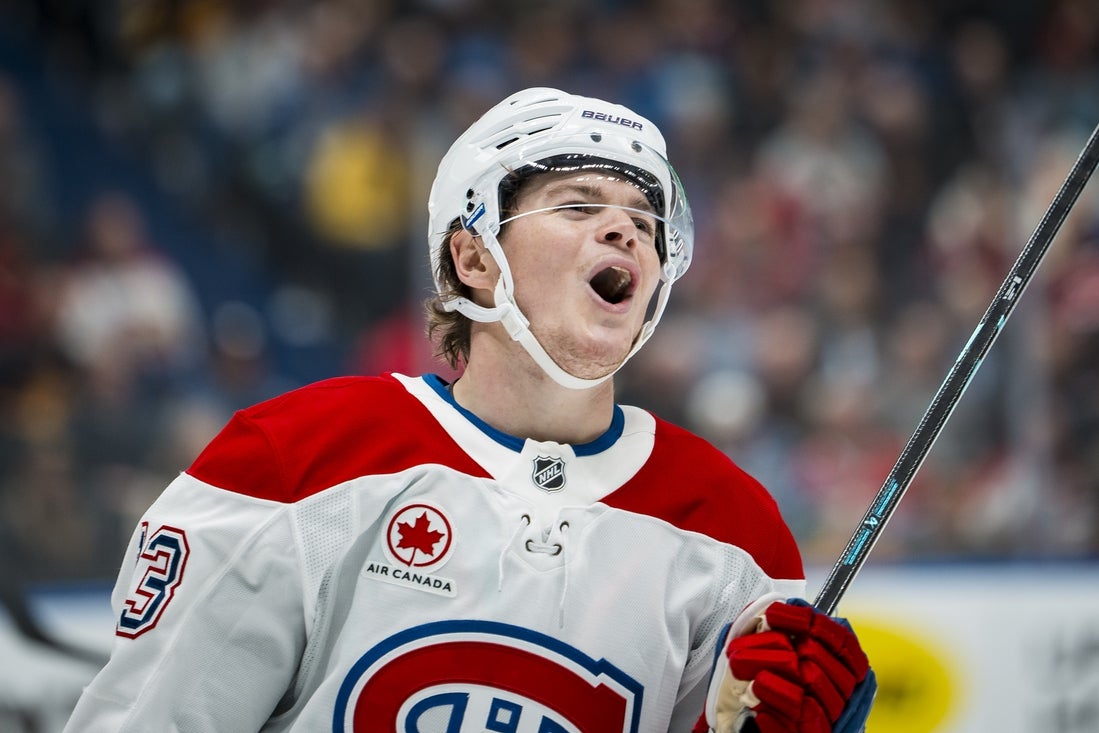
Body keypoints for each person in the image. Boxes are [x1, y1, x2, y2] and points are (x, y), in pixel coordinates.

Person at [65, 87, 876, 732]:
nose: (626, 232)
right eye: (578, 205)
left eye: (644, 221)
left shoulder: (733, 531)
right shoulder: (295, 459)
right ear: (473, 258)